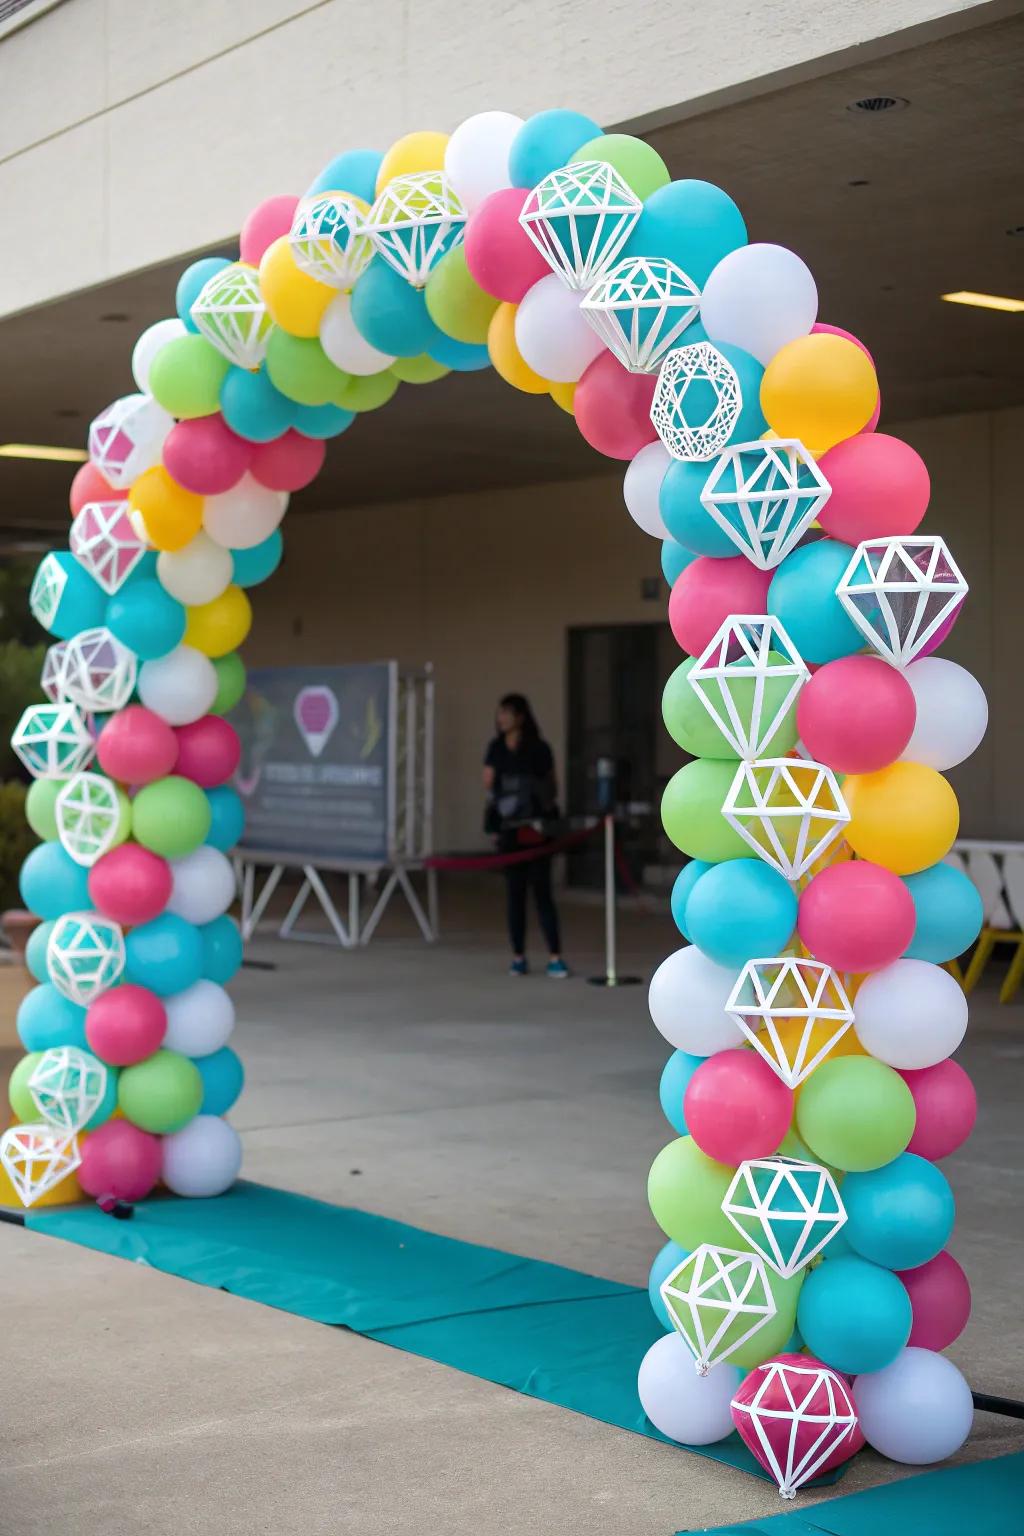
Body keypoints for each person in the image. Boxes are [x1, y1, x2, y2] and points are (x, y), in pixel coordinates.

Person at [483, 694, 568, 979]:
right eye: (500, 713)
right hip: (509, 830)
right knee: (514, 895)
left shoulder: (539, 748)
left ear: (520, 716)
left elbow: (551, 787)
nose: (501, 718)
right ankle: (518, 956)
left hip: (536, 831)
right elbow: (488, 785)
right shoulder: (496, 748)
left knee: (543, 893)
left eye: (507, 713)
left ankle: (555, 956)